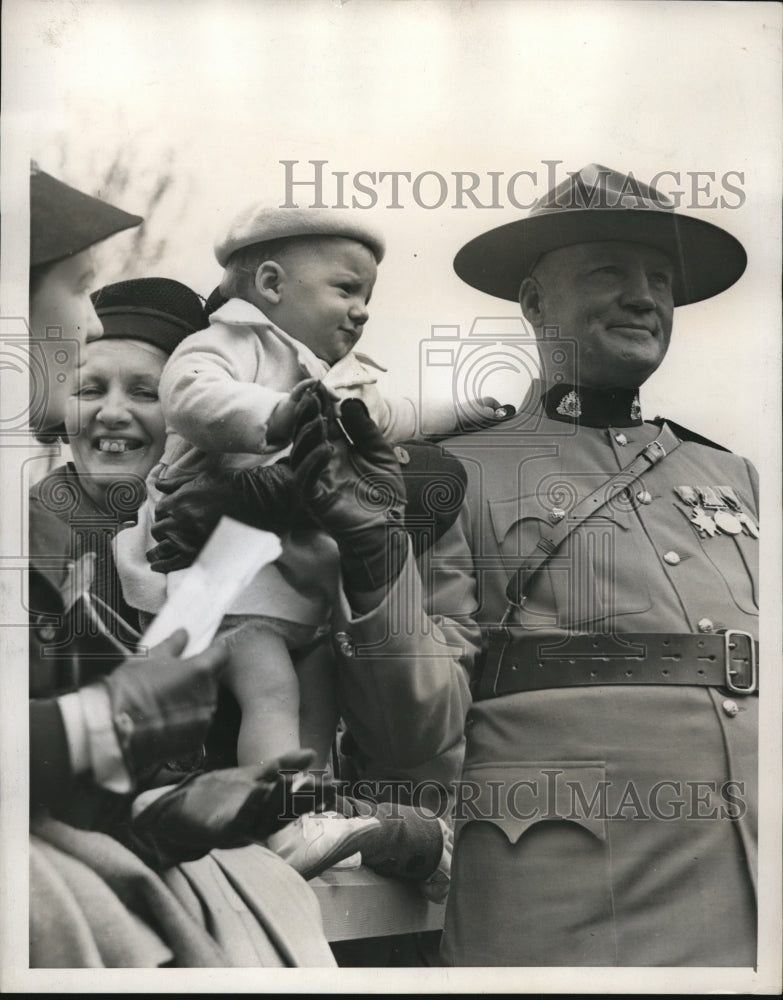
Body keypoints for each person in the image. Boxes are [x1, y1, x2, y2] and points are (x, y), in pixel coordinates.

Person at [278, 163, 759, 967]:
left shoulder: (733, 477)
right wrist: (375, 559)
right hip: (570, 905)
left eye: (659, 280)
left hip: (749, 888)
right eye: (607, 272)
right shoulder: (451, 471)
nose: (642, 297)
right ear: (534, 302)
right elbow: (410, 739)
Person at [27, 165, 337, 968]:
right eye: (78, 289)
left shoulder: (246, 538)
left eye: (146, 390)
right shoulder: (36, 527)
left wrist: (167, 821)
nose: (112, 411)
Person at [116, 204, 492, 779]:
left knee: (318, 689)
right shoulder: (233, 343)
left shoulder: (342, 378)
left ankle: (307, 800)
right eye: (346, 289)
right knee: (272, 690)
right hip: (219, 575)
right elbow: (190, 394)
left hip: (292, 585)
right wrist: (275, 416)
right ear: (271, 284)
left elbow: (394, 418)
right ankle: (267, 801)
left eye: (368, 296)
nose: (362, 310)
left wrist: (463, 412)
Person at [29, 276, 208, 637]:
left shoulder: (230, 527)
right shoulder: (23, 535)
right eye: (89, 389)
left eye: (145, 393)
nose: (112, 413)